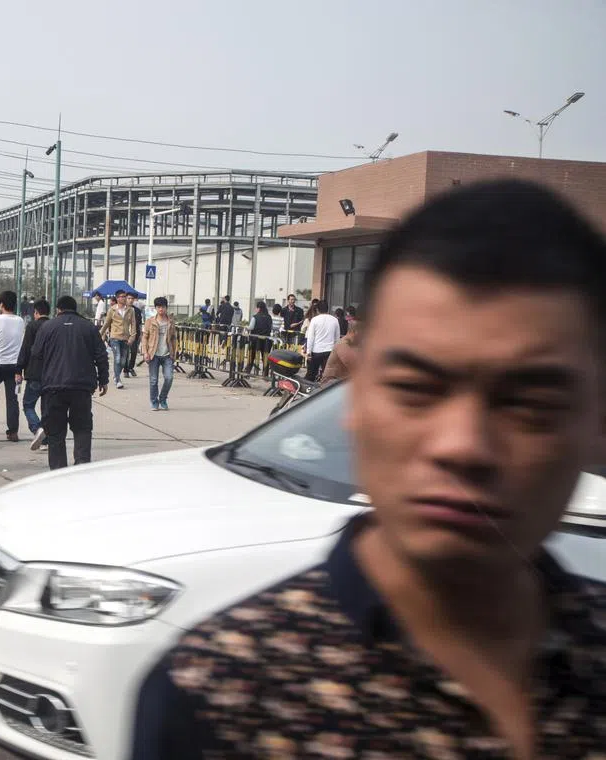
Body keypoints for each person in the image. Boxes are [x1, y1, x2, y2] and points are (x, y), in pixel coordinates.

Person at [133, 179, 606, 758]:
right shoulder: (226, 696)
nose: (461, 446)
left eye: (528, 402)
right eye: (415, 389)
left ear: (595, 424)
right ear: (354, 401)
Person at [31, 295, 108, 470]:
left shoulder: (47, 327)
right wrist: (103, 380)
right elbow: (101, 356)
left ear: (58, 309)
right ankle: (81, 466)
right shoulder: (88, 328)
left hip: (53, 387)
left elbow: (36, 354)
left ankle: (58, 471)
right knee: (82, 428)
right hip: (81, 387)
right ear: (75, 309)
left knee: (56, 432)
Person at [0, 291, 25, 443]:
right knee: (12, 399)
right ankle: (13, 431)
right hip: (14, 366)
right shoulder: (20, 321)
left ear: (1, 304)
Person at [15, 298, 51, 449]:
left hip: (34, 372)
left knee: (28, 405)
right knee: (46, 407)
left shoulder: (32, 326)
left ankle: (37, 429)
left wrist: (18, 370)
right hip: (51, 373)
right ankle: (45, 440)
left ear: (36, 312)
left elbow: (25, 349)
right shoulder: (53, 326)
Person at [140, 297, 176, 411]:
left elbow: (174, 338)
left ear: (166, 308)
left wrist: (174, 352)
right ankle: (154, 402)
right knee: (153, 380)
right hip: (153, 354)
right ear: (155, 308)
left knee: (169, 378)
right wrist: (145, 352)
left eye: (163, 307)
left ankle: (163, 398)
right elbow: (145, 337)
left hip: (167, 355)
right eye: (159, 307)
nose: (161, 309)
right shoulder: (150, 321)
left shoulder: (170, 322)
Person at [100, 290, 137, 390]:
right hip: (115, 337)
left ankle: (116, 375)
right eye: (121, 296)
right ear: (117, 298)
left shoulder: (131, 310)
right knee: (117, 358)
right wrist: (99, 334)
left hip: (126, 338)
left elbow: (133, 325)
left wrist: (132, 337)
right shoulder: (112, 310)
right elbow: (106, 323)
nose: (124, 298)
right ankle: (117, 379)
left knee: (123, 361)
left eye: (125, 296)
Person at [304, 299, 341, 381]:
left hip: (316, 351)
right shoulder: (335, 320)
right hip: (330, 351)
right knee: (327, 376)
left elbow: (310, 337)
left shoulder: (314, 320)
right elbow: (337, 339)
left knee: (311, 374)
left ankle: (310, 391)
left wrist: (308, 352)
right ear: (328, 309)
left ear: (317, 309)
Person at [320, 317, 359, 385]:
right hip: (331, 384)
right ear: (355, 331)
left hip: (342, 382)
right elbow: (352, 364)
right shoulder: (344, 344)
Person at [246, 300, 273, 375]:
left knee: (252, 356)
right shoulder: (269, 317)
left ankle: (248, 371)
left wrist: (246, 327)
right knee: (265, 357)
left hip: (255, 340)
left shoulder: (255, 317)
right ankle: (265, 373)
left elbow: (251, 327)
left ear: (258, 308)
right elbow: (271, 327)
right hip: (266, 341)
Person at [123, 295, 143, 377]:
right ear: (126, 299)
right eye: (129, 298)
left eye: (132, 299)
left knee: (134, 352)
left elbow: (139, 324)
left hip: (134, 334)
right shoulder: (122, 309)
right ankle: (125, 370)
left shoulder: (137, 310)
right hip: (124, 334)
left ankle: (131, 367)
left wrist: (141, 334)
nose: (130, 300)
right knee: (125, 353)